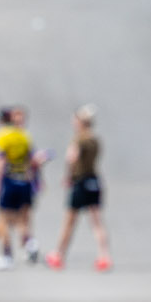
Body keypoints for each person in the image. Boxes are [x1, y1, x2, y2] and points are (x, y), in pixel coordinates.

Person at [47, 105, 112, 271]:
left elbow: (71, 157)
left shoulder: (79, 139)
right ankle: (104, 256)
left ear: (80, 122)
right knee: (97, 221)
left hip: (80, 181)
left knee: (69, 221)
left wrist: (68, 176)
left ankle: (59, 254)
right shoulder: (95, 139)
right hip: (94, 180)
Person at [0, 106, 46, 269]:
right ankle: (30, 245)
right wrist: (38, 180)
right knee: (23, 219)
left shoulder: (1, 135)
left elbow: (0, 160)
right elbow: (32, 160)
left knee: (3, 219)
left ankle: (7, 255)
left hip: (9, 181)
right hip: (24, 181)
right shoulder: (24, 135)